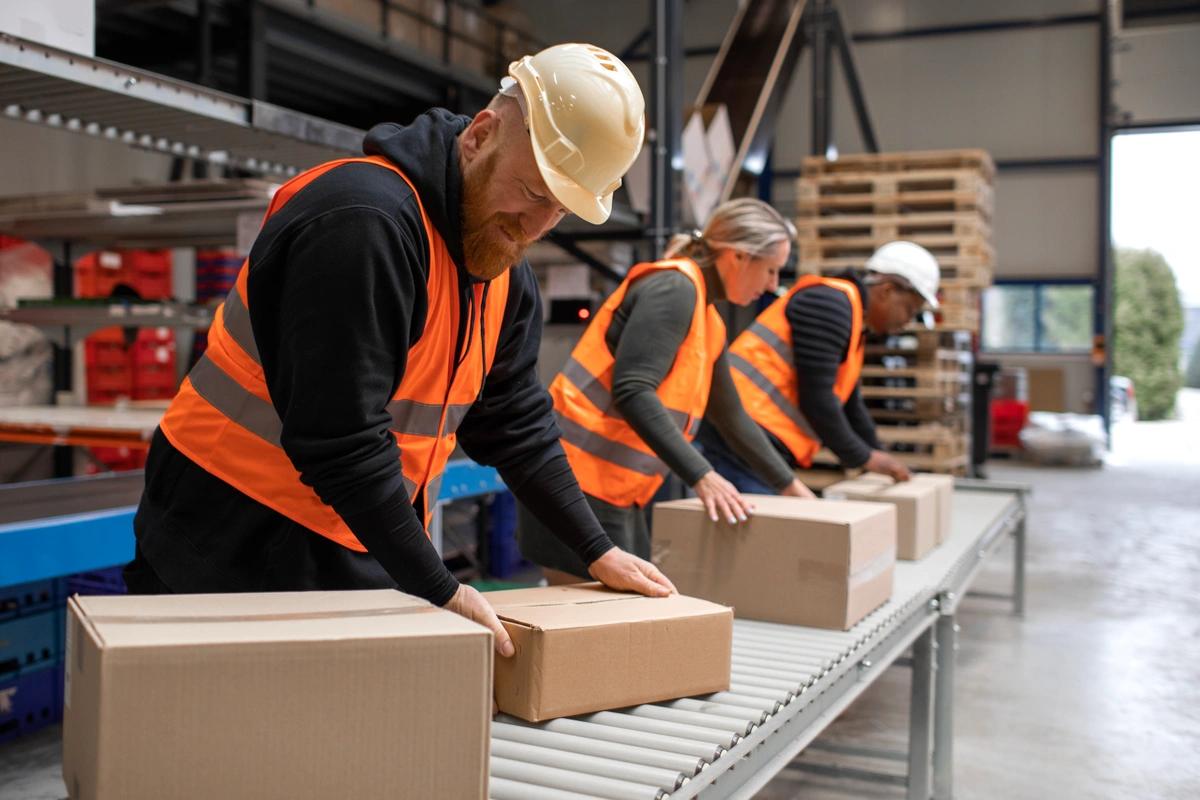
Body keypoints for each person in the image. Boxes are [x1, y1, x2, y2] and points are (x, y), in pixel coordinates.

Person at [122, 43, 676, 659]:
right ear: (481, 136)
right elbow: (341, 440)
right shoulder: (363, 223)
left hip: (348, 538)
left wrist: (596, 550)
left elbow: (516, 424)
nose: (535, 225)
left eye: (560, 209)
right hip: (224, 544)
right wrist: (438, 587)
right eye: (531, 190)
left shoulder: (501, 270)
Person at [518, 198, 815, 584]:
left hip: (612, 490)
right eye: (771, 270)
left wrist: (791, 487)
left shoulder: (709, 320)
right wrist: (702, 475)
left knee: (626, 616)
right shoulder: (673, 290)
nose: (773, 285)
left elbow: (731, 417)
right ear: (738, 257)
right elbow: (634, 389)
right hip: (574, 483)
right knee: (588, 625)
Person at [698, 240, 941, 490]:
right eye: (910, 310)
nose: (907, 322)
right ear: (888, 291)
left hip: (753, 437)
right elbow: (817, 400)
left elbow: (849, 404)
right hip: (739, 435)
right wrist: (866, 458)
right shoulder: (829, 306)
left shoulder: (852, 318)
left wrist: (877, 453)